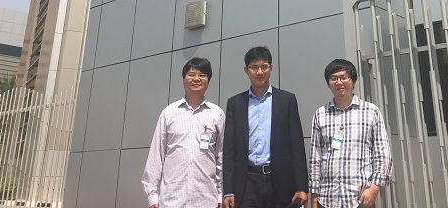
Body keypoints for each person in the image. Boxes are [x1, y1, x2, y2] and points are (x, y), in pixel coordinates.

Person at [222, 46, 308, 208]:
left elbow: (297, 146)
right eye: (254, 67)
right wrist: (228, 190)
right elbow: (229, 150)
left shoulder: (287, 100)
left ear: (271, 68)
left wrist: (301, 187)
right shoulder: (235, 103)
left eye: (264, 67)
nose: (259, 72)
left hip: (280, 183)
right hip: (246, 183)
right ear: (246, 70)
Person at [141, 57, 225, 208]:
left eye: (202, 75)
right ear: (184, 79)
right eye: (191, 74)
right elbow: (156, 155)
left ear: (208, 80)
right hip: (172, 200)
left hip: (206, 200)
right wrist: (152, 196)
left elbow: (221, 156)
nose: (196, 79)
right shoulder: (169, 113)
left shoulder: (217, 114)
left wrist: (221, 195)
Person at [309, 59, 392, 208]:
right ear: (328, 83)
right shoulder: (320, 114)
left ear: (353, 81)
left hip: (359, 199)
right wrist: (314, 197)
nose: (339, 82)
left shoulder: (371, 111)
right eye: (333, 78)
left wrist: (374, 188)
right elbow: (316, 158)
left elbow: (382, 153)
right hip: (327, 199)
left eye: (344, 77)